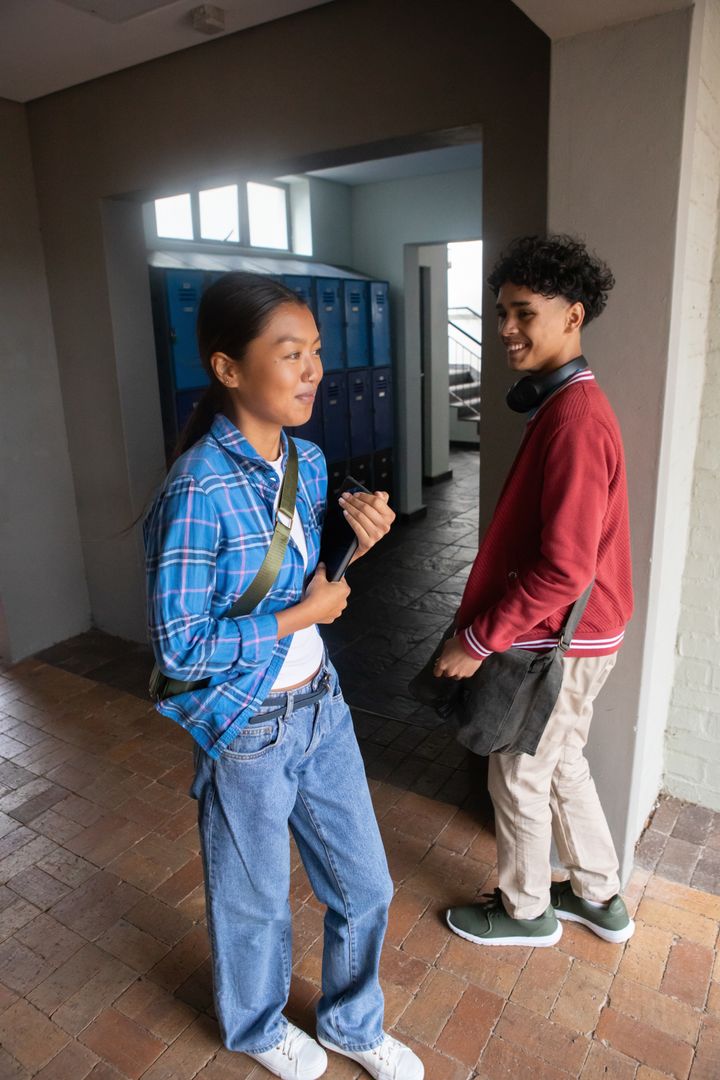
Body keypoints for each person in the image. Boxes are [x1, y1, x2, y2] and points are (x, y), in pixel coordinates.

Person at [144, 272, 424, 1080]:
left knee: (366, 885)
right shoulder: (196, 488)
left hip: (321, 709)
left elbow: (303, 586)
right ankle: (259, 1027)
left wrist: (354, 549)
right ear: (229, 368)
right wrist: (303, 619)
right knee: (256, 906)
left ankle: (348, 1021)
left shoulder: (304, 458)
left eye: (318, 354)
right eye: (290, 353)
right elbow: (182, 650)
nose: (312, 371)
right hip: (248, 728)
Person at [435, 235, 635, 948]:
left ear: (573, 316)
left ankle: (525, 912)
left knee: (518, 770)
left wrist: (478, 641)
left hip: (561, 641)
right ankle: (600, 895)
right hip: (585, 635)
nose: (506, 329)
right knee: (559, 762)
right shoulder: (567, 407)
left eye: (523, 312)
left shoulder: (574, 420)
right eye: (499, 314)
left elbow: (563, 569)